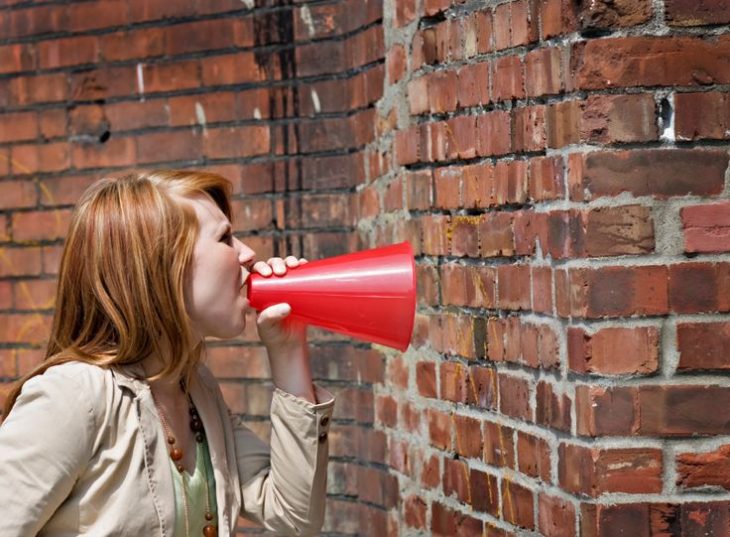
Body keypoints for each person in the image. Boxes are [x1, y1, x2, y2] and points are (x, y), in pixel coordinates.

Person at [0, 170, 334, 537]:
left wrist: (287, 351)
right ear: (160, 268)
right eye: (225, 238)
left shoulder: (196, 390)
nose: (248, 253)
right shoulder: (73, 396)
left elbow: (295, 518)